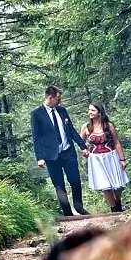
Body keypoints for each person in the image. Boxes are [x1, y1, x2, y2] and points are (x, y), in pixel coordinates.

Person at [30, 85, 89, 217]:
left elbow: (71, 130)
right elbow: (36, 137)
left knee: (75, 180)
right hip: (51, 156)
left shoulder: (62, 111)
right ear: (50, 98)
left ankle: (79, 207)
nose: (59, 102)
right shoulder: (37, 114)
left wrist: (82, 146)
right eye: (58, 99)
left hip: (68, 151)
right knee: (59, 185)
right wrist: (39, 157)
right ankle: (67, 213)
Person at [79, 102, 129, 213]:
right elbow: (80, 143)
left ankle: (118, 201)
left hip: (111, 156)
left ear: (100, 112)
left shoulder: (108, 125)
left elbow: (116, 142)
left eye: (93, 110)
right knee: (105, 186)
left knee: (118, 185)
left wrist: (122, 159)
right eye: (89, 110)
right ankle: (114, 209)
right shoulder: (86, 127)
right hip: (96, 159)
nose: (90, 112)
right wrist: (84, 150)